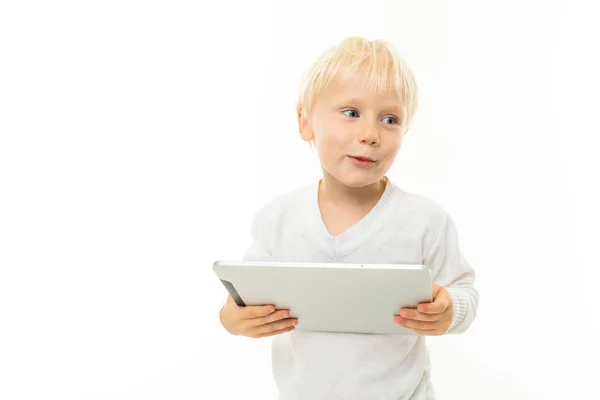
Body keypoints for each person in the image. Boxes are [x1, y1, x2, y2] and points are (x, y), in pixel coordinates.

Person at [218, 35, 479, 400]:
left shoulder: (424, 220)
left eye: (390, 119)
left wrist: (449, 309)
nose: (370, 135)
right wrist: (232, 320)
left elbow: (464, 294)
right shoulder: (278, 219)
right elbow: (243, 299)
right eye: (351, 113)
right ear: (305, 122)